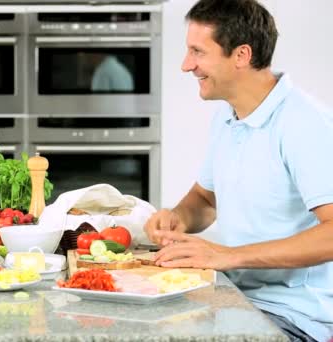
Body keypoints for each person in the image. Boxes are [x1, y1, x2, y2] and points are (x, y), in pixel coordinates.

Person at [143, 0, 333, 341]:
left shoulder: (304, 124)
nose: (187, 65)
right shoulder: (229, 116)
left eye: (198, 52)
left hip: (293, 316)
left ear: (241, 55)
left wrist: (226, 256)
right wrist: (177, 218)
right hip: (234, 299)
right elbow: (206, 199)